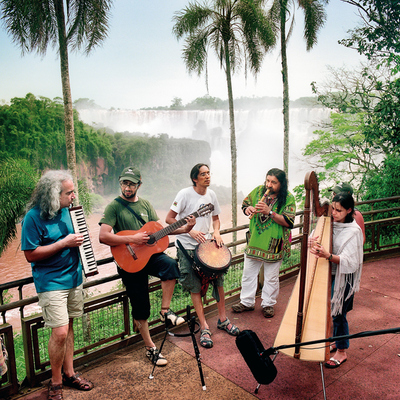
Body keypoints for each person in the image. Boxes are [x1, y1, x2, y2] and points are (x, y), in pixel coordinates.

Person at [99, 166, 195, 367]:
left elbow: (160, 231)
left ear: (139, 185)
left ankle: (165, 311)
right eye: (125, 183)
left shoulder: (146, 205)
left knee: (170, 266)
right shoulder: (114, 207)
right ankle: (150, 348)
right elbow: (103, 236)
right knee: (141, 306)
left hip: (147, 256)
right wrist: (132, 237)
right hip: (128, 260)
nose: (127, 187)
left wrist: (185, 228)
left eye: (131, 183)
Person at [21, 170, 94, 400]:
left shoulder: (70, 213)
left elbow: (79, 240)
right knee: (60, 332)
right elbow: (31, 254)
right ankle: (55, 382)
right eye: (68, 193)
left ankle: (70, 373)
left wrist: (86, 257)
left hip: (74, 277)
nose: (73, 196)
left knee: (69, 326)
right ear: (54, 195)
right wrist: (63, 243)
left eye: (73, 191)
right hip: (51, 282)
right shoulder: (33, 218)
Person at [165, 163, 240, 349]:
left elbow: (215, 219)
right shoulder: (184, 194)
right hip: (187, 248)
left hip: (207, 246)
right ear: (194, 178)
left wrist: (216, 232)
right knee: (195, 287)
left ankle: (222, 319)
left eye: (208, 173)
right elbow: (169, 219)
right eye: (203, 174)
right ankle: (205, 327)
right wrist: (189, 231)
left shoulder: (211, 194)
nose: (207, 176)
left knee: (219, 280)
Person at [232, 168, 296, 318]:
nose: (269, 185)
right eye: (268, 180)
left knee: (271, 277)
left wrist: (270, 212)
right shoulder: (259, 191)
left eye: (274, 182)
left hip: (273, 243)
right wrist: (247, 209)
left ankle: (268, 304)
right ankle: (246, 302)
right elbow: (245, 204)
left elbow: (289, 221)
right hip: (254, 241)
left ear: (282, 183)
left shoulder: (288, 198)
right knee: (248, 274)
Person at [309, 191, 363, 369]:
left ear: (349, 210)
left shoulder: (354, 231)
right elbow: (313, 238)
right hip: (327, 273)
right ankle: (334, 340)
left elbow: (351, 261)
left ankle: (341, 351)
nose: (333, 213)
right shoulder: (329, 223)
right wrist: (312, 242)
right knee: (328, 312)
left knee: (339, 314)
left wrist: (328, 255)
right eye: (332, 209)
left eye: (338, 210)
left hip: (344, 277)